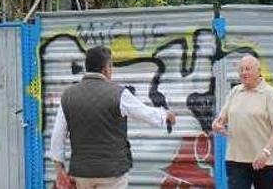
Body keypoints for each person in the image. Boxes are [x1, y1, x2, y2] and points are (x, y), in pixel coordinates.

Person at [50, 45, 178, 189]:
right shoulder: (119, 94)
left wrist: (59, 170)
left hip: (82, 174)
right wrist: (165, 115)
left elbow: (57, 136)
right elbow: (145, 113)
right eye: (111, 66)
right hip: (112, 172)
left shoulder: (68, 96)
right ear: (106, 68)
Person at [211, 56, 273, 189]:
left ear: (258, 71)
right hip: (236, 161)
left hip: (264, 161)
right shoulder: (235, 92)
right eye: (241, 69)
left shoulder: (269, 93)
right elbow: (221, 119)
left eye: (248, 69)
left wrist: (266, 152)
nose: (244, 73)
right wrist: (217, 125)